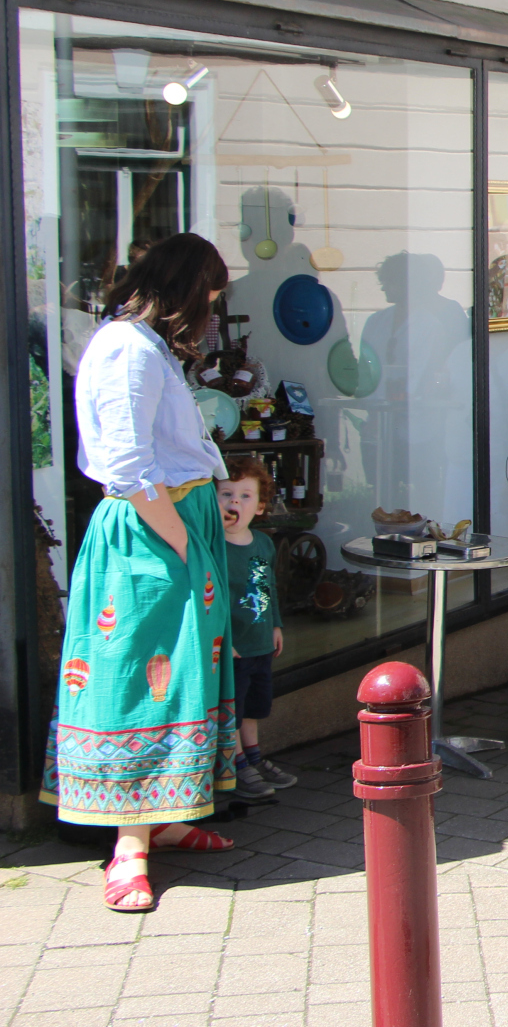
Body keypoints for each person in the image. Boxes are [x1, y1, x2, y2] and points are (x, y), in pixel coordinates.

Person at [41, 233, 240, 913]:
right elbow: (127, 467)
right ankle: (129, 846)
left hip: (171, 526)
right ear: (190, 286)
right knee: (144, 676)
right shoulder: (128, 349)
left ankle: (166, 813)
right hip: (152, 536)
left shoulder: (142, 345)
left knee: (181, 674)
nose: (215, 306)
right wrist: (182, 541)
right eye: (212, 290)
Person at [217, 456, 296, 802]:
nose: (235, 502)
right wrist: (222, 637)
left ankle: (254, 757)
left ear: (261, 506)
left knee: (254, 706)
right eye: (227, 494)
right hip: (232, 647)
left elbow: (268, 588)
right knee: (232, 708)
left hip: (260, 642)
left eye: (245, 496)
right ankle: (235, 766)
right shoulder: (212, 547)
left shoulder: (262, 544)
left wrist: (275, 624)